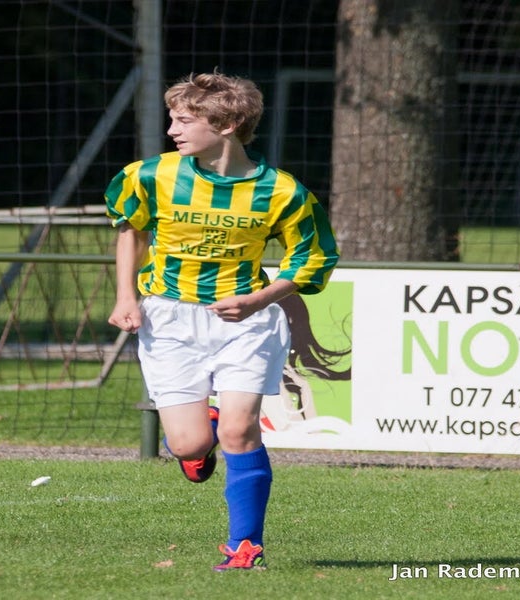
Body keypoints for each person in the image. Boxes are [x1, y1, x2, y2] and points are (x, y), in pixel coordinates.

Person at [104, 71, 339, 571]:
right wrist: (126, 296)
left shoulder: (281, 191)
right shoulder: (151, 176)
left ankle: (245, 547)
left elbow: (313, 257)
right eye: (172, 119)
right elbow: (131, 229)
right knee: (189, 445)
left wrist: (261, 299)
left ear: (228, 125)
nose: (172, 130)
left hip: (246, 323)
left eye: (184, 120)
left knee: (240, 432)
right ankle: (200, 433)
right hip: (169, 318)